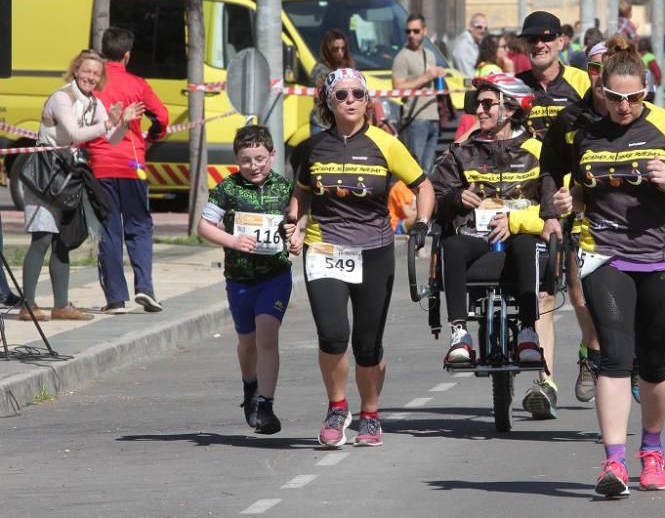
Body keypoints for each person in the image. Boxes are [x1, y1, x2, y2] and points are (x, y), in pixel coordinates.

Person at [551, 35, 665, 497]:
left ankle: (652, 449)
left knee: (655, 363)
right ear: (602, 90)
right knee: (615, 358)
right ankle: (614, 462)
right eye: (615, 97)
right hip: (606, 255)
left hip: (662, 257)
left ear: (646, 92)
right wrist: (568, 199)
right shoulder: (587, 134)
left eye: (633, 97)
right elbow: (582, 189)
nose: (624, 106)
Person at [284, 67, 435, 449]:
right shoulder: (313, 146)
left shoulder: (386, 144)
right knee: (333, 336)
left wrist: (423, 222)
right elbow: (301, 191)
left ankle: (370, 414)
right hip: (325, 248)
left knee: (368, 345)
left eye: (357, 94)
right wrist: (293, 222)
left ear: (368, 102)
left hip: (374, 250)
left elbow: (423, 185)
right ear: (328, 103)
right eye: (341, 95)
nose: (350, 101)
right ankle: (337, 408)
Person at [431, 73, 546, 366]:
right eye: (476, 103)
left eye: (486, 104)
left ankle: (528, 332)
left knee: (526, 246)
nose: (478, 110)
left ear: (508, 108)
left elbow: (554, 208)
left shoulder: (538, 151)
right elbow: (434, 198)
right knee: (453, 246)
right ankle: (459, 335)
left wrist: (516, 221)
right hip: (475, 237)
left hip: (520, 236)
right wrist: (455, 199)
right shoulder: (462, 151)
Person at [20, 50, 141, 322]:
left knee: (63, 240)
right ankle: (28, 305)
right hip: (45, 172)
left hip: (68, 174)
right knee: (42, 237)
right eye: (86, 71)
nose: (90, 77)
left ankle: (61, 305)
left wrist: (123, 123)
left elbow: (110, 137)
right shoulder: (62, 98)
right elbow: (75, 134)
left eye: (96, 74)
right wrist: (107, 123)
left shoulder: (93, 102)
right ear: (75, 70)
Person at [197, 125, 299, 435]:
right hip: (240, 278)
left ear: (272, 155)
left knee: (267, 335)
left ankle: (266, 406)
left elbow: (296, 224)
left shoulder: (285, 188)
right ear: (236, 160)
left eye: (260, 158)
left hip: (275, 276)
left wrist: (296, 239)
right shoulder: (227, 188)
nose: (253, 166)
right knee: (247, 341)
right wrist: (232, 240)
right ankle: (250, 386)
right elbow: (204, 226)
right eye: (246, 160)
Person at [514, 10, 591, 418]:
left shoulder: (580, 83)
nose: (540, 44)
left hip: (575, 198)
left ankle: (589, 354)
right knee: (543, 292)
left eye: (547, 37)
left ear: (561, 41)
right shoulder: (515, 87)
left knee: (580, 293)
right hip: (529, 204)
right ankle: (544, 382)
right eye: (532, 39)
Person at [539, 40, 609, 404]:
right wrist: (551, 213)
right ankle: (592, 353)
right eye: (594, 68)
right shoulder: (571, 119)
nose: (600, 75)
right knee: (580, 295)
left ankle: (624, 359)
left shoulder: (642, 115)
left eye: (608, 66)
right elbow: (550, 165)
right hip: (586, 221)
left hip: (635, 227)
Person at [88, 27, 170, 315]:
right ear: (127, 55)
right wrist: (152, 136)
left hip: (100, 165)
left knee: (109, 230)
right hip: (133, 163)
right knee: (139, 227)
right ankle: (145, 288)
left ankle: (116, 298)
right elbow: (162, 117)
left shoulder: (93, 83)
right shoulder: (138, 84)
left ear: (102, 52)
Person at [392, 13, 447, 174]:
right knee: (415, 170)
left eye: (416, 31)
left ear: (425, 31)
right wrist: (426, 77)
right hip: (415, 118)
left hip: (433, 116)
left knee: (429, 169)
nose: (411, 35)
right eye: (408, 31)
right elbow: (398, 88)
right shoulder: (402, 57)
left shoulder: (429, 55)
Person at [455, 33, 507, 140]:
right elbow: (503, 99)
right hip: (487, 121)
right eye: (503, 47)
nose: (507, 50)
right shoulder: (493, 69)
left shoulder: (483, 66)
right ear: (493, 49)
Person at [310, 29, 356, 135]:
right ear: (328, 50)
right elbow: (323, 97)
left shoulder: (349, 67)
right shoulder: (320, 70)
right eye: (336, 49)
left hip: (345, 124)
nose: (340, 52)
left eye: (343, 48)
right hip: (323, 124)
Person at [451, 13, 488, 78]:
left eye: (485, 28)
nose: (483, 30)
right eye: (479, 27)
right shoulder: (463, 45)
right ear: (470, 27)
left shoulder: (476, 42)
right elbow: (467, 74)